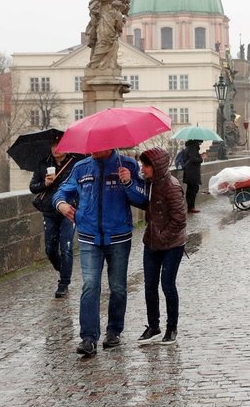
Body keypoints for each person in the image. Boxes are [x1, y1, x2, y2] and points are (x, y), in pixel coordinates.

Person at [54, 148, 148, 357]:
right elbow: (62, 192)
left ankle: (114, 331)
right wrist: (60, 204)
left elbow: (142, 199)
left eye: (98, 146)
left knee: (118, 287)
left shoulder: (128, 165)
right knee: (90, 285)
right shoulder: (81, 168)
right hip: (89, 237)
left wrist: (128, 183)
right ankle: (88, 338)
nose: (92, 150)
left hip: (118, 237)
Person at [136, 148, 187, 346]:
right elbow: (147, 207)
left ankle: (171, 327)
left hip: (172, 244)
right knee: (150, 286)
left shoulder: (171, 186)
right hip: (151, 243)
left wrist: (162, 237)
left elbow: (179, 219)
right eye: (142, 164)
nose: (143, 168)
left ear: (156, 166)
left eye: (146, 165)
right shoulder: (150, 184)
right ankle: (153, 326)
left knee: (167, 284)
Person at [28, 135, 81, 298]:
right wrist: (45, 183)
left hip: (68, 211)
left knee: (66, 247)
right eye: (53, 146)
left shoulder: (75, 163)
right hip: (49, 211)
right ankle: (63, 269)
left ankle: (64, 283)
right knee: (50, 249)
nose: (56, 149)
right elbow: (33, 187)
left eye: (60, 145)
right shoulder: (44, 164)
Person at [182, 139, 202, 214]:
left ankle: (190, 207)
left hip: (188, 172)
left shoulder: (188, 148)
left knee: (190, 189)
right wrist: (201, 158)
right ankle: (191, 207)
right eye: (200, 142)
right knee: (193, 189)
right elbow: (194, 159)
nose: (200, 144)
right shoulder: (193, 148)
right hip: (192, 172)